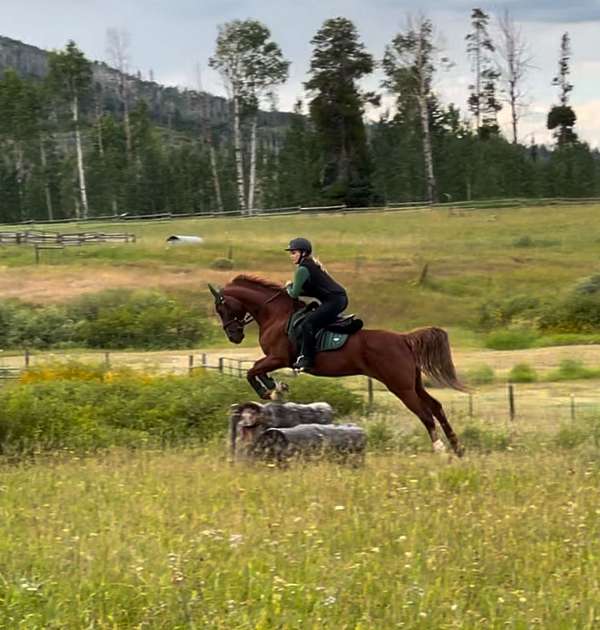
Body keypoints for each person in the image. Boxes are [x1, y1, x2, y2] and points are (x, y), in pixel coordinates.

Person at [284, 237, 348, 371]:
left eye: (294, 253)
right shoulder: (310, 265)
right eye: (291, 253)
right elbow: (308, 291)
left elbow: (294, 294)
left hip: (334, 301)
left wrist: (288, 286)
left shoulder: (302, 269)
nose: (291, 256)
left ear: (303, 253)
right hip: (338, 299)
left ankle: (307, 358)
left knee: (308, 323)